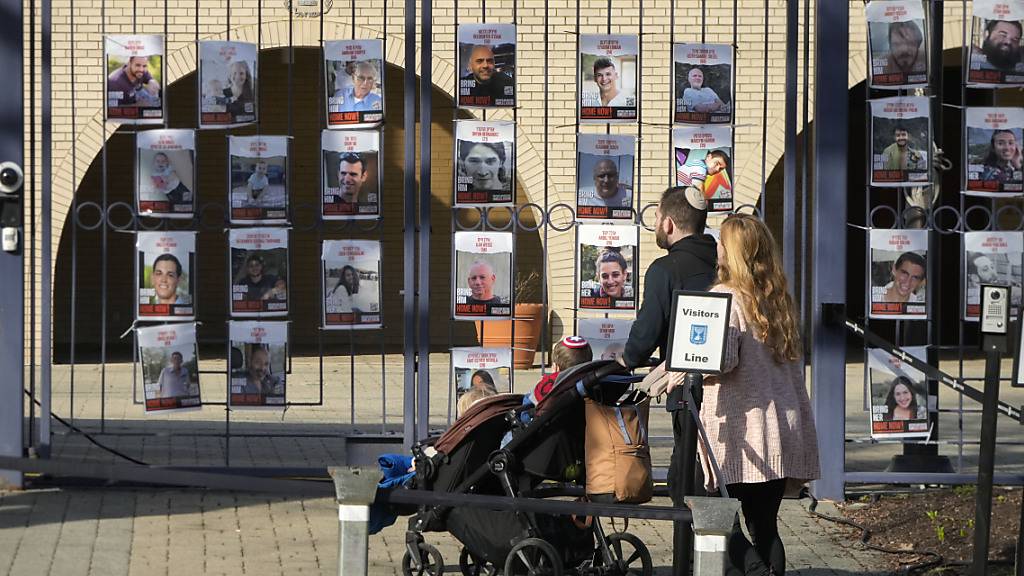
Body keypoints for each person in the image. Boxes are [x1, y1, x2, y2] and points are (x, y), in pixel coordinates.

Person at [667, 213, 820, 576]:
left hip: (739, 434)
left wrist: (679, 370)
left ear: (733, 252)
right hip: (779, 429)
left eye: (721, 242)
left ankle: (756, 572)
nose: (715, 247)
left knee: (716, 523)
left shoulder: (726, 297)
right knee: (766, 528)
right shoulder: (777, 298)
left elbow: (721, 359)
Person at [619, 186, 717, 369]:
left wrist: (628, 359)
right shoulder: (726, 264)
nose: (655, 225)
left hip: (685, 387)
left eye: (657, 217)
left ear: (668, 224)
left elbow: (646, 334)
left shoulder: (664, 270)